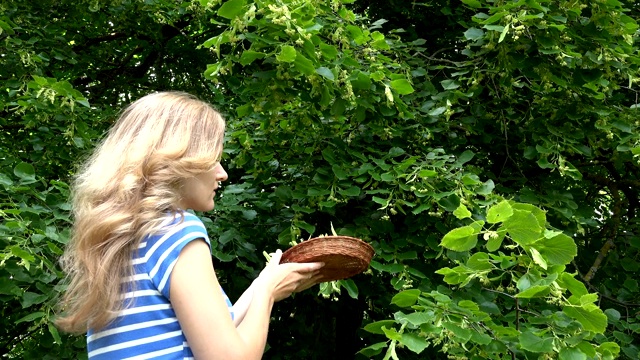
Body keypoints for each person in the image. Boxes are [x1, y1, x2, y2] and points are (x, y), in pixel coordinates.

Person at [56, 91, 324, 359]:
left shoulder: (120, 239)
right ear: (176, 161)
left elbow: (213, 334)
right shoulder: (177, 232)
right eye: (213, 159)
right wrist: (266, 294)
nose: (222, 173)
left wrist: (263, 282)